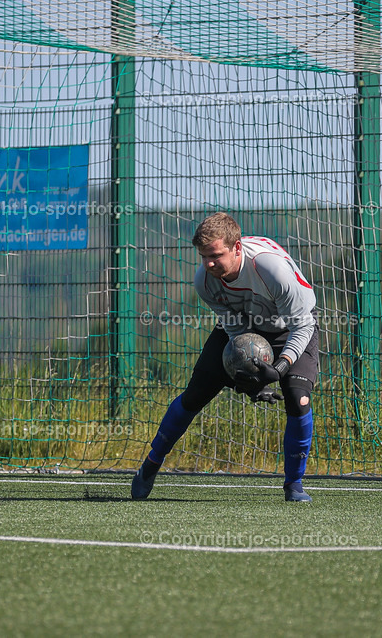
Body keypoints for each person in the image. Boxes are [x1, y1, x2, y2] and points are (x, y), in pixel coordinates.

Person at [132, 212, 319, 502]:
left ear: (237, 248)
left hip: (292, 327)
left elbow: (303, 325)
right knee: (195, 394)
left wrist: (280, 368)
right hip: (245, 327)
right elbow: (235, 329)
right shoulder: (205, 281)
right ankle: (150, 465)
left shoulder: (271, 270)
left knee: (298, 398)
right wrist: (250, 376)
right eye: (203, 256)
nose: (208, 264)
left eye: (216, 255)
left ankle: (294, 485)